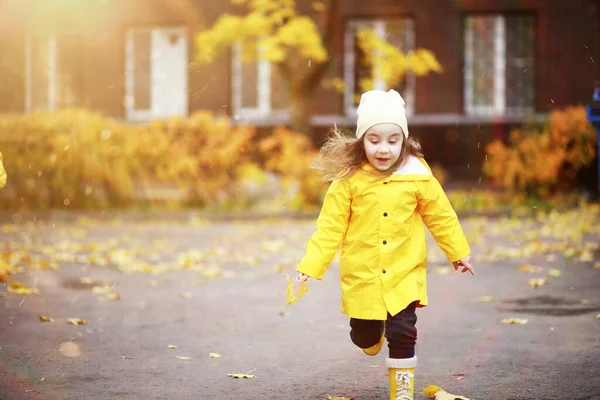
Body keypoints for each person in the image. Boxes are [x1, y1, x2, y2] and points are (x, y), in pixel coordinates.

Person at [296, 89, 474, 400]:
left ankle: (401, 391)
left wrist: (458, 253)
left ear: (404, 141)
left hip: (404, 272)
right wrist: (311, 266)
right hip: (363, 274)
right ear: (361, 141)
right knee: (364, 336)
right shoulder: (348, 180)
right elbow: (330, 227)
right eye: (374, 140)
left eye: (393, 140)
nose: (383, 149)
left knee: (403, 331)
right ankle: (369, 335)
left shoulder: (418, 176)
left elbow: (441, 216)